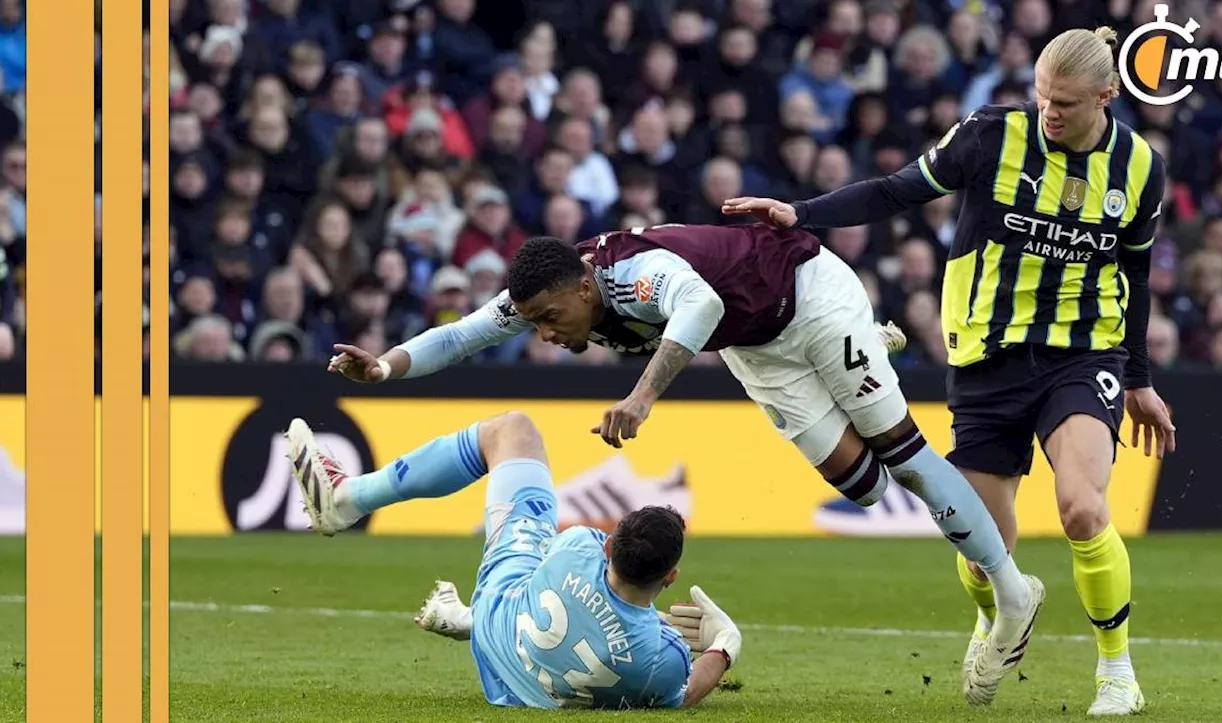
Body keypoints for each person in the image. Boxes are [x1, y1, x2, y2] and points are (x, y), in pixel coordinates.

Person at [326, 221, 1044, 702]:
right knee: (862, 485)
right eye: (536, 322)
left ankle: (1013, 592)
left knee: (905, 457)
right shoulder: (552, 290)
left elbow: (697, 304)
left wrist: (641, 397)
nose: (544, 332)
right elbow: (463, 337)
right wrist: (385, 369)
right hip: (758, 344)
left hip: (806, 296)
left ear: (583, 286)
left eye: (553, 317)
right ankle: (865, 351)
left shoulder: (630, 275)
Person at [720, 26, 1175, 717]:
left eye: (1066, 103)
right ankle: (1001, 615)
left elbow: (1135, 274)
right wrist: (801, 214)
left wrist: (1137, 377)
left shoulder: (1140, 167)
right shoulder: (992, 134)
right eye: (1043, 97)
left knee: (1083, 507)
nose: (1048, 112)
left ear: (1106, 97)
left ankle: (1117, 671)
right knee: (984, 546)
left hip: (1083, 353)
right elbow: (896, 191)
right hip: (987, 358)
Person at [285, 412, 742, 709]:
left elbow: (591, 592)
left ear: (609, 545)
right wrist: (724, 644)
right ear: (671, 577)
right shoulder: (660, 659)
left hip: (499, 619)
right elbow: (684, 694)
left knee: (512, 432)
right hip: (522, 689)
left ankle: (346, 500)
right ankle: (466, 617)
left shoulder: (580, 546)